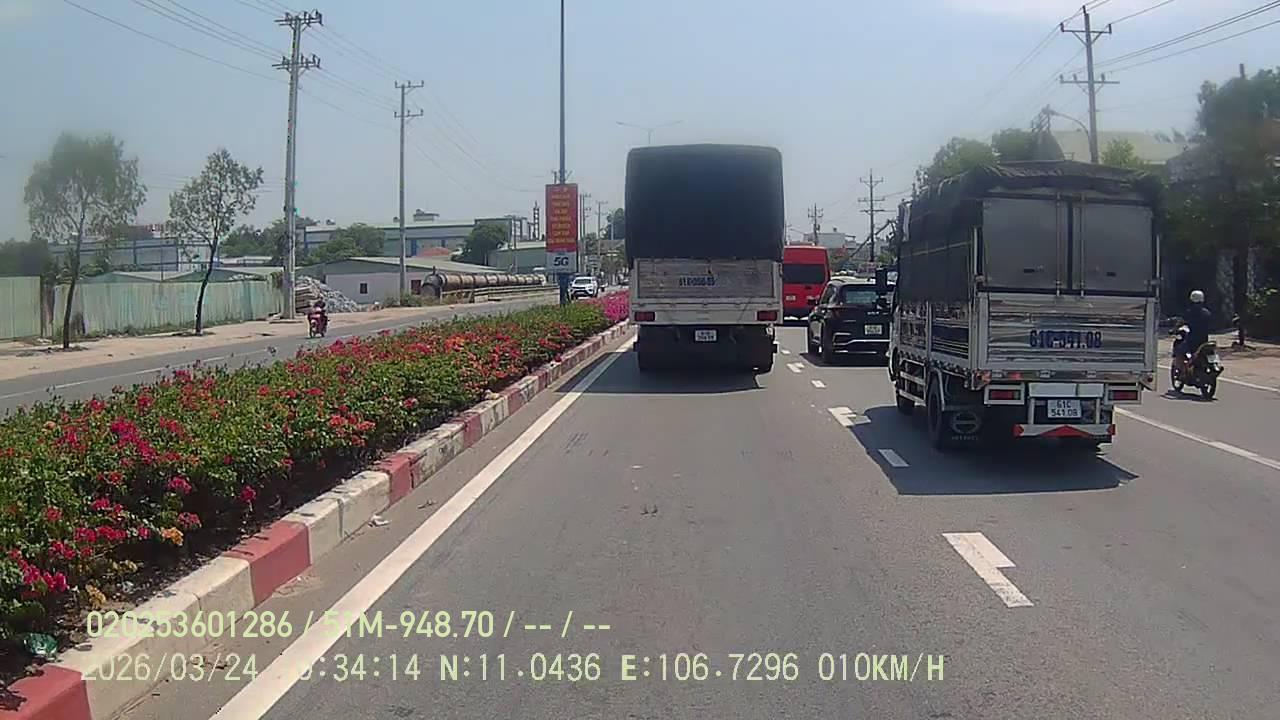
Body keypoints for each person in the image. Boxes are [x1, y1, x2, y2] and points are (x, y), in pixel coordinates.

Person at [1176, 290, 1212, 375]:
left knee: (1179, 350)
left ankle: (1182, 370)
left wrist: (1175, 328)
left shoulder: (1189, 312)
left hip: (1191, 341)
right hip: (1204, 341)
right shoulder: (1207, 313)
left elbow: (1182, 321)